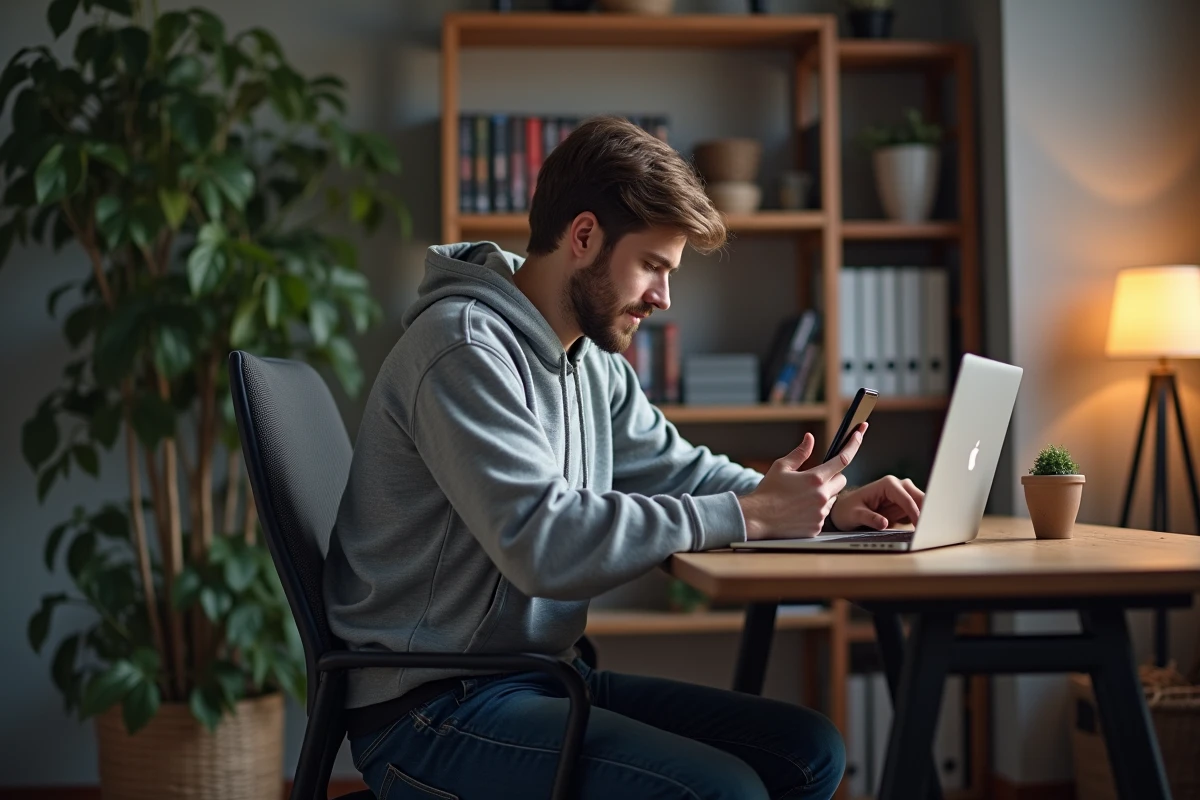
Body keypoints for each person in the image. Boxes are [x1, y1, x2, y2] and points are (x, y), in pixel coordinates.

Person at [324, 115, 925, 800]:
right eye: (653, 266)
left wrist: (822, 508)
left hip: (542, 677)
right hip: (434, 709)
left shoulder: (587, 357)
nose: (663, 299)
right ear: (583, 237)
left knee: (809, 751)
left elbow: (681, 469)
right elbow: (542, 542)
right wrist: (747, 515)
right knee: (724, 793)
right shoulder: (464, 350)